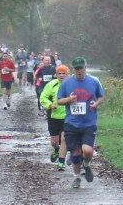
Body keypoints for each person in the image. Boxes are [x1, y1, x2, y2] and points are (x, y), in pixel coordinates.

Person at [55, 56, 105, 189]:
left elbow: (101, 96)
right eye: (76, 69)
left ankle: (87, 165)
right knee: (76, 153)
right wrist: (69, 100)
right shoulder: (66, 83)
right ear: (73, 69)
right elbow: (59, 101)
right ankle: (77, 177)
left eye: (81, 68)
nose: (79, 71)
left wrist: (96, 103)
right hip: (71, 123)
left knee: (87, 151)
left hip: (89, 122)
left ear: (85, 68)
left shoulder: (94, 81)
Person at [39, 64, 70, 170]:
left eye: (64, 73)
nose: (61, 75)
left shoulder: (71, 85)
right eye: (59, 73)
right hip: (53, 117)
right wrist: (50, 105)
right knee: (55, 142)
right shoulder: (51, 84)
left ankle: (61, 162)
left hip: (67, 117)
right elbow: (43, 97)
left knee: (64, 139)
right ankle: (57, 150)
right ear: (56, 75)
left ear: (67, 75)